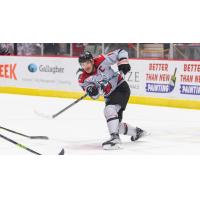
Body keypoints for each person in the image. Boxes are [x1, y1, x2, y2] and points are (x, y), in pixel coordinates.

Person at [77, 50, 146, 150]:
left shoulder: (101, 60)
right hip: (109, 96)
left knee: (109, 110)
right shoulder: (83, 79)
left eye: (87, 63)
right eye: (83, 64)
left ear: (92, 61)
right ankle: (137, 132)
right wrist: (93, 91)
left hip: (120, 87)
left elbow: (121, 52)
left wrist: (123, 62)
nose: (85, 66)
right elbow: (95, 96)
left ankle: (115, 138)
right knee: (115, 123)